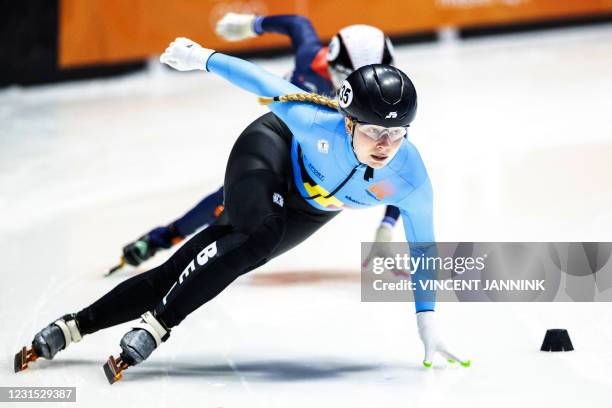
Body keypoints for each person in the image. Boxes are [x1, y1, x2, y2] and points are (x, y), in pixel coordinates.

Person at [14, 38, 469, 384]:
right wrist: (201, 56)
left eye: (398, 133)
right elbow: (262, 82)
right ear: (348, 121)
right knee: (259, 237)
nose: (385, 145)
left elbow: (424, 247)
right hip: (268, 152)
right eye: (374, 131)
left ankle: (74, 326)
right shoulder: (314, 122)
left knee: (195, 262)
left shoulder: (410, 178)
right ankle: (157, 326)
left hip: (310, 208)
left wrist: (426, 319)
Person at [120, 14, 401, 269]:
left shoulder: (382, 107)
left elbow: (399, 174)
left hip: (319, 164)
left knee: (248, 217)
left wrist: (386, 227)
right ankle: (163, 238)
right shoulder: (310, 58)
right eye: (346, 77)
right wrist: (248, 26)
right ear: (328, 62)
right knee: (231, 198)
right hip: (282, 142)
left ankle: (182, 249)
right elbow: (296, 24)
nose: (362, 87)